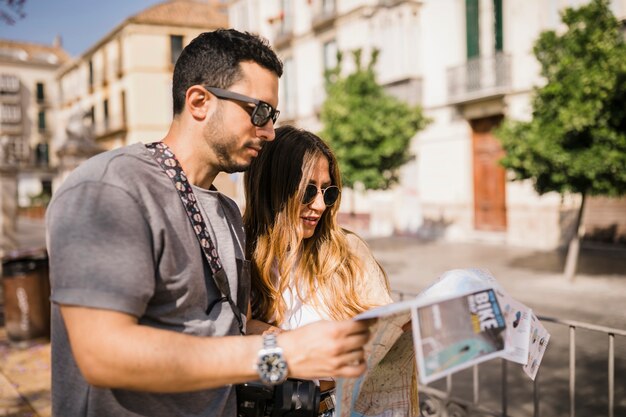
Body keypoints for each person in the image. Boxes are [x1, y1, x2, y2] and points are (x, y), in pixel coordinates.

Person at [46, 29, 372, 417]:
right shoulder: (111, 190)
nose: (269, 132)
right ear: (199, 101)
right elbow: (102, 356)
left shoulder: (228, 211)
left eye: (273, 116)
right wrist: (280, 353)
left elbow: (226, 332)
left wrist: (302, 344)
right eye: (260, 112)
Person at [243, 126, 399, 415]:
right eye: (308, 191)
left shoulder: (348, 249)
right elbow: (234, 333)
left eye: (328, 192)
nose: (319, 206)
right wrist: (291, 342)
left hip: (346, 405)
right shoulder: (241, 251)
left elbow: (386, 325)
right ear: (273, 188)